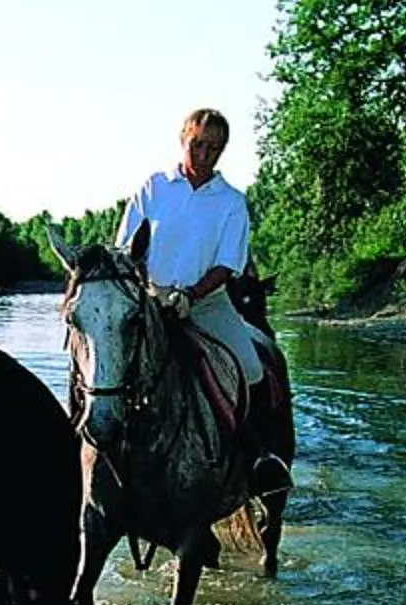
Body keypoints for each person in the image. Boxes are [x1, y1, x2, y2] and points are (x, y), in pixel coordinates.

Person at [113, 107, 287, 462]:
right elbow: (126, 249)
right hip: (150, 302)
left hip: (207, 304)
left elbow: (227, 264)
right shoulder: (154, 187)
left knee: (251, 368)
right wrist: (150, 292)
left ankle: (258, 457)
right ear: (182, 140)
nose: (204, 155)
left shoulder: (231, 202)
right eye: (197, 145)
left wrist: (190, 295)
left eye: (213, 148)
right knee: (104, 362)